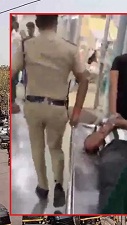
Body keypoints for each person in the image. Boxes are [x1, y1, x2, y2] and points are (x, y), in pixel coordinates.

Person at [11, 15, 89, 203]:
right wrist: (77, 111)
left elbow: (9, 72)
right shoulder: (69, 48)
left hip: (33, 106)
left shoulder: (26, 45)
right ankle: (59, 185)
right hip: (57, 108)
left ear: (37, 24)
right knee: (55, 148)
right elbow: (84, 79)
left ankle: (42, 186)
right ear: (56, 23)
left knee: (37, 147)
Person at [11, 16, 21, 114]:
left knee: (13, 83)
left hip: (13, 64)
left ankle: (12, 102)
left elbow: (18, 53)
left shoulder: (17, 36)